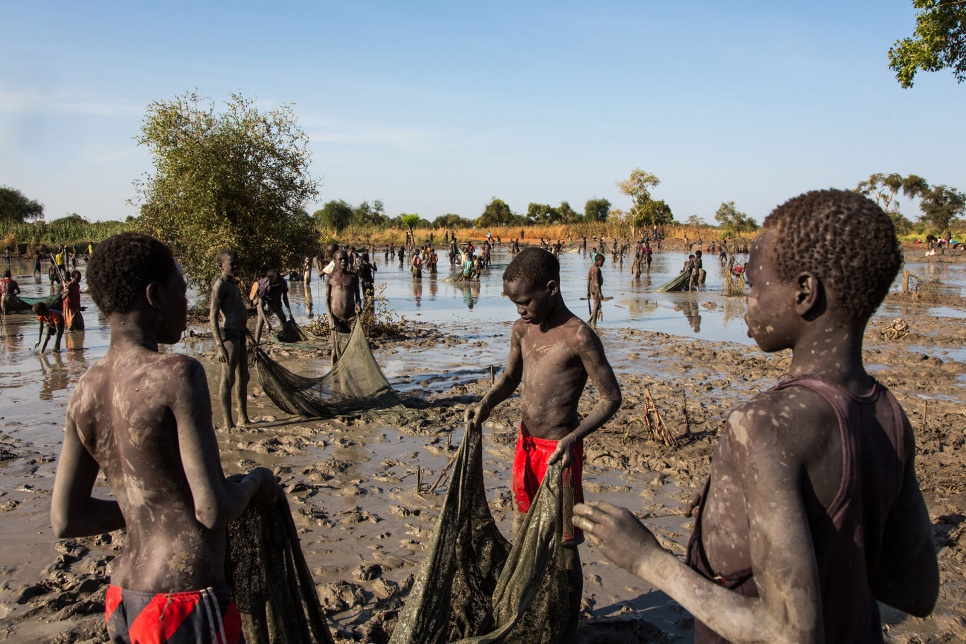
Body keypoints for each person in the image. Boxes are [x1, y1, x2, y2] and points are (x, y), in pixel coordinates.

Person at [574, 189, 939, 642]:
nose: (746, 298)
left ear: (804, 292)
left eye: (752, 284)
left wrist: (646, 559)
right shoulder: (888, 413)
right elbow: (916, 590)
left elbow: (788, 632)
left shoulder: (765, 424)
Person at [50, 232, 282, 644]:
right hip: (186, 596)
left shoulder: (84, 390)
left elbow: (66, 519)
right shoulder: (178, 373)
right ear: (154, 296)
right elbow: (211, 509)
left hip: (122, 598)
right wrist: (256, 482)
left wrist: (146, 508)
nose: (187, 302)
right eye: (182, 289)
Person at [465, 247, 622, 641]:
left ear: (551, 289)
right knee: (524, 527)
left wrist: (573, 437)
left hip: (561, 452)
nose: (520, 310)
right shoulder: (522, 330)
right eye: (515, 303)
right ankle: (534, 608)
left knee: (564, 541)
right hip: (526, 446)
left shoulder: (579, 336)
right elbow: (510, 378)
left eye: (525, 301)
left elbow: (611, 398)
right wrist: (486, 402)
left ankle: (567, 628)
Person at [210, 250, 251, 429]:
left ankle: (243, 417)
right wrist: (219, 345)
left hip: (240, 335)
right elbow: (212, 316)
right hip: (229, 336)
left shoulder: (233, 283)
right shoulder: (220, 285)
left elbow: (238, 310)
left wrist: (248, 334)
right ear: (221, 266)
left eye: (237, 263)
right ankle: (228, 422)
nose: (236, 266)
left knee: (244, 377)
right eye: (232, 264)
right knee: (228, 379)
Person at [326, 249, 362, 334]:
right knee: (338, 344)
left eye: (345, 259)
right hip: (336, 318)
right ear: (334, 261)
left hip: (351, 317)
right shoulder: (330, 278)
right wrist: (330, 318)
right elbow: (327, 300)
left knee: (354, 342)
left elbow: (358, 297)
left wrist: (358, 306)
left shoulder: (353, 276)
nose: (343, 261)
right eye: (340, 259)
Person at [253, 268, 292, 345]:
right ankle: (256, 343)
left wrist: (289, 312)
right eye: (278, 277)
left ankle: (283, 337)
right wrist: (267, 322)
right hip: (261, 297)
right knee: (261, 321)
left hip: (274, 297)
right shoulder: (264, 286)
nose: (280, 278)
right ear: (272, 279)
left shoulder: (282, 282)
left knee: (282, 318)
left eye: (279, 276)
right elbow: (260, 305)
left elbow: (285, 297)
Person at [587, 253, 605, 327]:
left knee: (596, 305)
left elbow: (588, 280)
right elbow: (596, 282)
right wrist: (600, 293)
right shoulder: (596, 269)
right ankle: (593, 323)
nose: (603, 264)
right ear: (597, 261)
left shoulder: (591, 268)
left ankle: (591, 321)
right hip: (596, 289)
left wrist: (588, 291)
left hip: (592, 288)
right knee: (596, 305)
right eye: (602, 262)